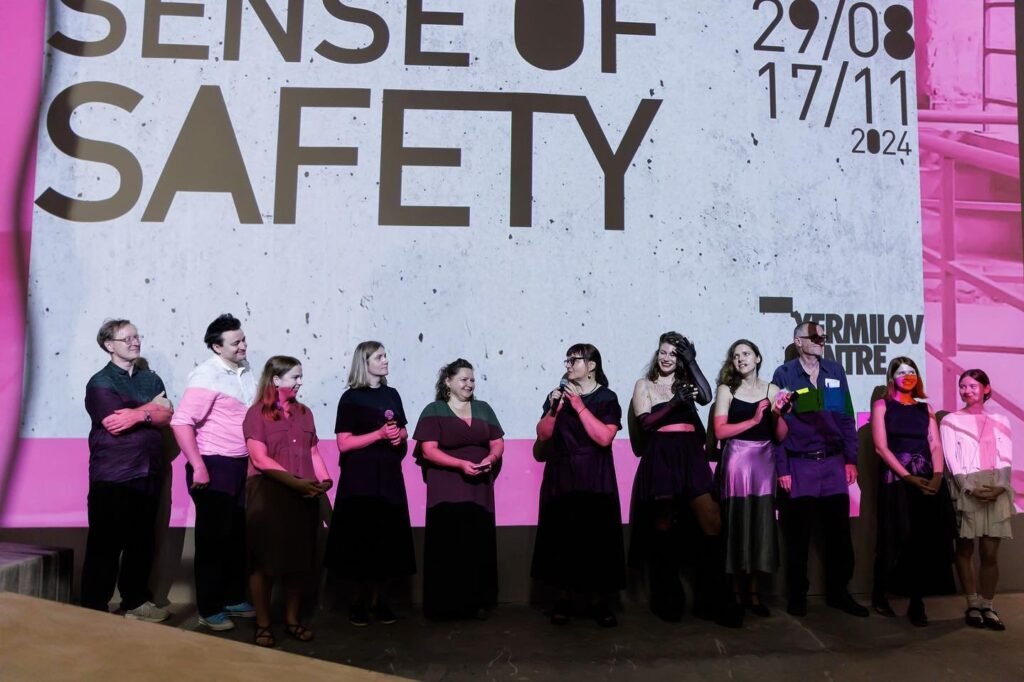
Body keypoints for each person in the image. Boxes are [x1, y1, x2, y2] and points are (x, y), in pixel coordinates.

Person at [628, 331, 741, 627]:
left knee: (712, 521)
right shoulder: (645, 385)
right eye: (663, 352)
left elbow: (706, 396)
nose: (667, 358)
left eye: (674, 354)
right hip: (662, 455)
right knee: (663, 525)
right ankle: (667, 599)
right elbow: (646, 423)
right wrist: (673, 403)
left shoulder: (686, 383)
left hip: (691, 455)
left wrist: (692, 362)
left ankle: (713, 600)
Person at [771, 321, 867, 617]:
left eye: (823, 336)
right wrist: (783, 469)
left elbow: (846, 417)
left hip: (833, 464)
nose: (820, 340)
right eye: (813, 336)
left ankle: (840, 593)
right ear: (798, 341)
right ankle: (797, 596)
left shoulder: (835, 372)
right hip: (800, 465)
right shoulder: (784, 374)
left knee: (839, 535)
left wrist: (850, 459)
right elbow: (777, 425)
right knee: (798, 536)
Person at [81, 319, 174, 622]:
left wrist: (135, 413)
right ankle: (93, 608)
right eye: (127, 338)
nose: (135, 342)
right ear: (109, 345)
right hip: (114, 475)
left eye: (137, 336)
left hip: (149, 472)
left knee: (142, 542)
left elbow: (167, 415)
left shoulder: (151, 379)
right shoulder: (100, 382)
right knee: (105, 546)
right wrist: (150, 410)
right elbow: (114, 423)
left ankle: (135, 602)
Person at [170, 313, 257, 631]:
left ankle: (233, 598)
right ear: (216, 347)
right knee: (212, 540)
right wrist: (198, 466)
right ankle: (209, 609)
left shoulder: (245, 370)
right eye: (236, 343)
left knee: (236, 536)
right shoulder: (206, 375)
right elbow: (181, 422)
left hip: (239, 465)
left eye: (243, 339)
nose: (243, 346)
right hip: (212, 463)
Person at [531, 343, 624, 627]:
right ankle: (564, 599)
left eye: (575, 360)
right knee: (563, 538)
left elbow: (604, 437)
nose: (569, 365)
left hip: (594, 476)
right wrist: (556, 408)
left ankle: (598, 601)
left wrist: (579, 406)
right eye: (567, 360)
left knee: (596, 539)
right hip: (562, 474)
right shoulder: (557, 396)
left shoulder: (606, 397)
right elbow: (543, 435)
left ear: (592, 365)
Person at [242, 356, 333, 647]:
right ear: (276, 379)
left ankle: (292, 620)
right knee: (263, 562)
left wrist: (325, 479)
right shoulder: (257, 413)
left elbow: (313, 452)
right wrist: (295, 482)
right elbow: (259, 458)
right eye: (295, 377)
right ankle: (263, 624)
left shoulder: (305, 413)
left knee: (298, 562)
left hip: (303, 495)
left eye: (300, 376)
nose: (299, 382)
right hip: (268, 495)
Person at [324, 341, 415, 626]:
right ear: (365, 363)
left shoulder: (392, 394)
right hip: (359, 481)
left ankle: (380, 602)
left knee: (387, 540)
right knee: (360, 540)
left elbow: (402, 430)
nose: (386, 360)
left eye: (385, 355)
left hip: (388, 478)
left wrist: (399, 436)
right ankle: (358, 603)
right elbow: (344, 443)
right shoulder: (350, 398)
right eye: (379, 357)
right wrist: (378, 435)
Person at [413, 359, 504, 620]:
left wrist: (491, 459)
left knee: (477, 541)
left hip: (479, 488)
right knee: (448, 543)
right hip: (446, 488)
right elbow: (428, 450)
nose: (469, 384)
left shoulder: (483, 409)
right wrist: (460, 464)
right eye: (463, 379)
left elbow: (497, 442)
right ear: (448, 382)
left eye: (472, 380)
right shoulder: (434, 410)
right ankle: (446, 605)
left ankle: (477, 601)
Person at [869, 357, 954, 626]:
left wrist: (937, 475)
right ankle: (880, 595)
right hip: (896, 480)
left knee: (922, 541)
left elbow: (935, 444)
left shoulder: (925, 408)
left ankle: (917, 602)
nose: (907, 376)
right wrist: (907, 476)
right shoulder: (882, 405)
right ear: (892, 377)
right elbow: (881, 447)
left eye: (912, 371)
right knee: (893, 536)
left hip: (926, 479)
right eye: (901, 372)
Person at [711, 339, 782, 617]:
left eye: (746, 353)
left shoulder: (772, 389)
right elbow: (720, 432)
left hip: (764, 461)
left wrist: (780, 415)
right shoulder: (726, 390)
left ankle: (753, 593)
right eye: (736, 355)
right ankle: (733, 593)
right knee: (736, 524)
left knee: (760, 525)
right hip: (736, 461)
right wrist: (753, 420)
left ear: (758, 358)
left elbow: (781, 435)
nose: (741, 359)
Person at [940, 369, 1015, 631]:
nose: (967, 390)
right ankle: (972, 603)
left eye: (972, 386)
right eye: (963, 386)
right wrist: (967, 487)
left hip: (995, 486)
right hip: (966, 487)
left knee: (990, 553)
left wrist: (1001, 486)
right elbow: (951, 458)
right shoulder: (950, 420)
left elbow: (1005, 454)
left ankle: (988, 605)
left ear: (986, 388)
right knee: (965, 549)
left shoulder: (1000, 419)